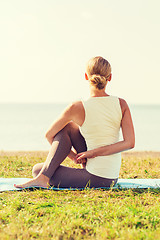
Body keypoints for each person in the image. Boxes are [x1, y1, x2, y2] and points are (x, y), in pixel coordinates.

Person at [14, 56, 135, 189]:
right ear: (110, 77)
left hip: (97, 178)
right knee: (69, 128)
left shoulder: (76, 107)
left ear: (86, 76)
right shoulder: (121, 104)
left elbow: (49, 135)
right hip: (112, 176)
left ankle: (42, 178)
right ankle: (43, 177)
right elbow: (129, 143)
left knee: (37, 169)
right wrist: (77, 157)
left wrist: (88, 154)